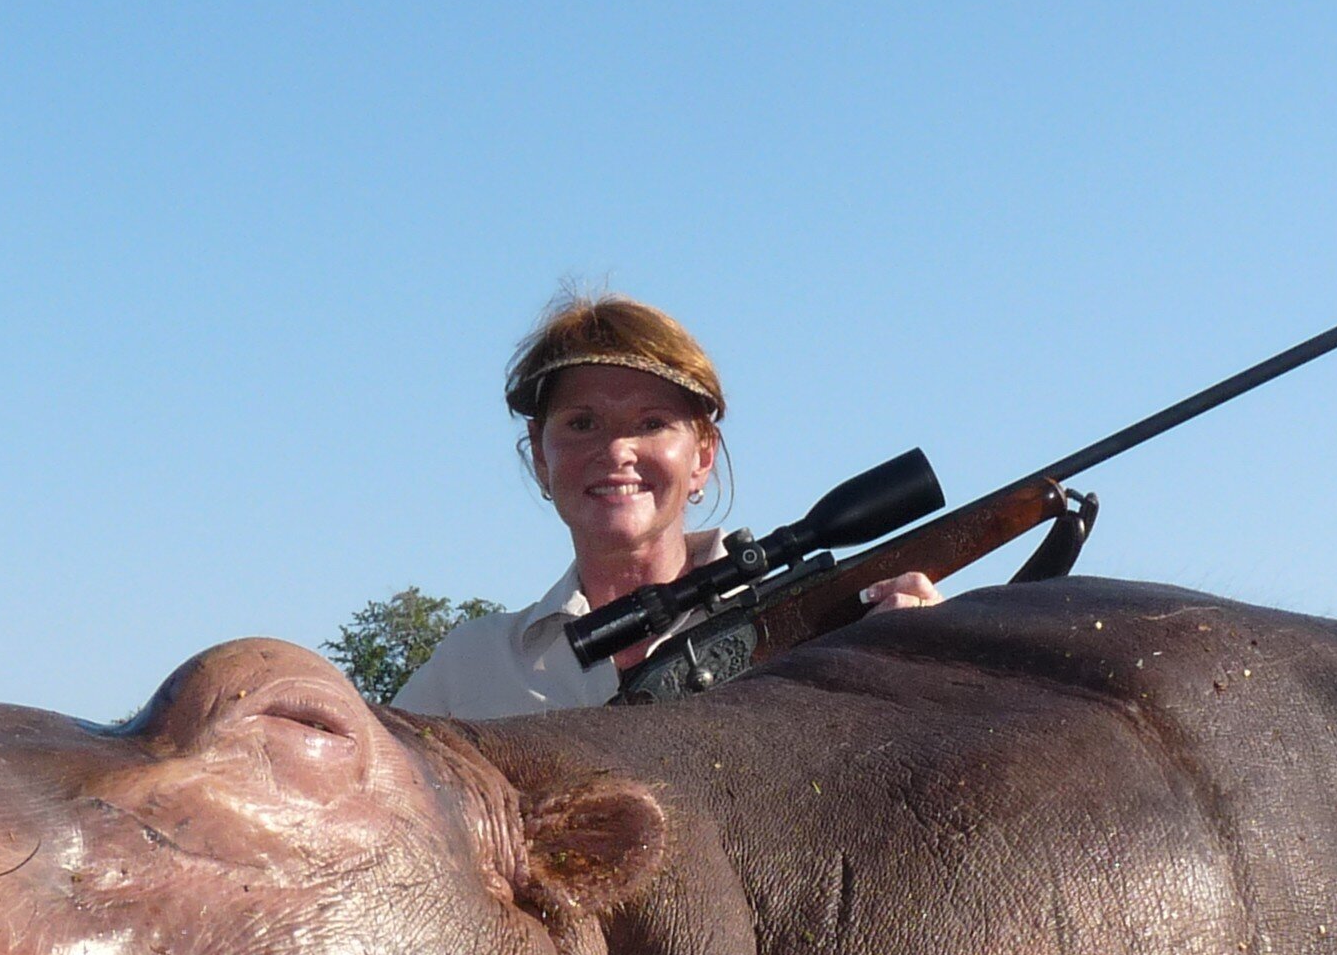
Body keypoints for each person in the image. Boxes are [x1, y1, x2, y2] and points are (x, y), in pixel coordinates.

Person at [394, 292, 936, 718]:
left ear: (702, 456)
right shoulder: (471, 669)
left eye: (652, 424)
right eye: (582, 423)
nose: (616, 452)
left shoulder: (824, 630)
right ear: (540, 455)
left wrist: (926, 672)